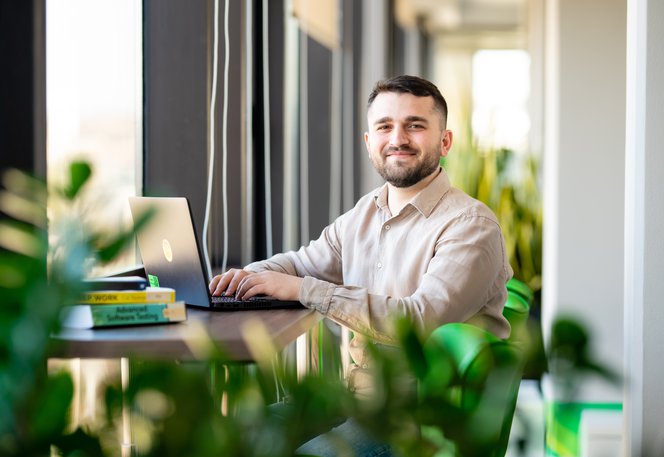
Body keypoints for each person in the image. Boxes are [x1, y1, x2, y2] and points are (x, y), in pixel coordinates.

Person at [209, 75, 513, 456]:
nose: (398, 138)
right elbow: (303, 264)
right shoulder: (365, 213)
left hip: (420, 423)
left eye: (415, 126)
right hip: (353, 403)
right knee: (234, 436)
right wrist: (246, 277)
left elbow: (419, 321)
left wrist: (305, 290)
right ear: (369, 142)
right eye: (384, 126)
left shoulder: (471, 226)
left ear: (445, 141)